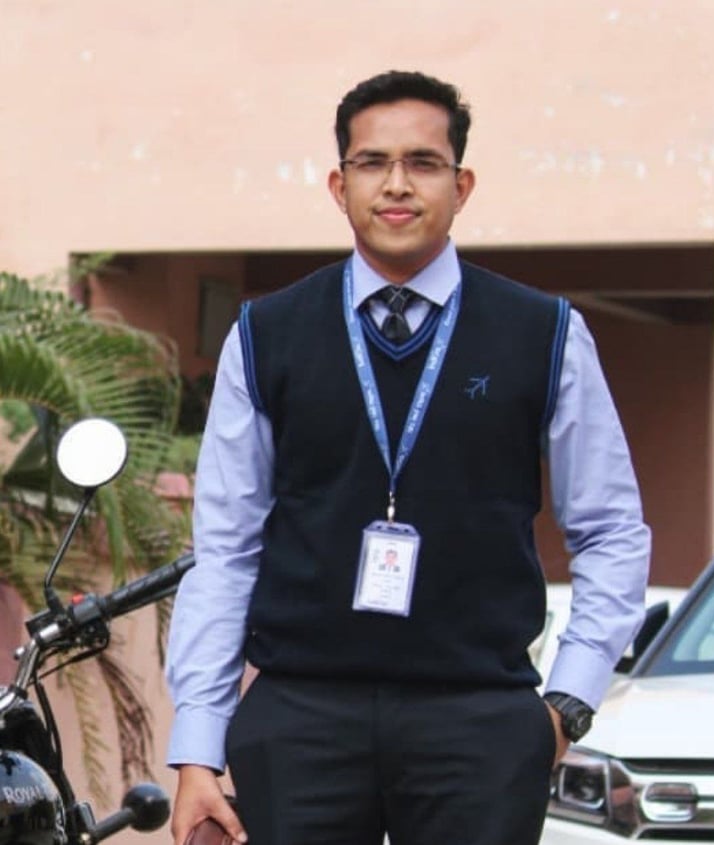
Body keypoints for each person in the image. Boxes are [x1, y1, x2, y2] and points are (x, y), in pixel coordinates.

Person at [165, 69, 651, 845]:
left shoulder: (545, 334)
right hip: (301, 718)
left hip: (478, 719)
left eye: (423, 162)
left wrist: (567, 703)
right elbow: (225, 548)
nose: (397, 184)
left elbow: (611, 528)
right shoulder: (266, 335)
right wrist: (197, 746)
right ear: (339, 185)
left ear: (462, 185)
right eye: (372, 162)